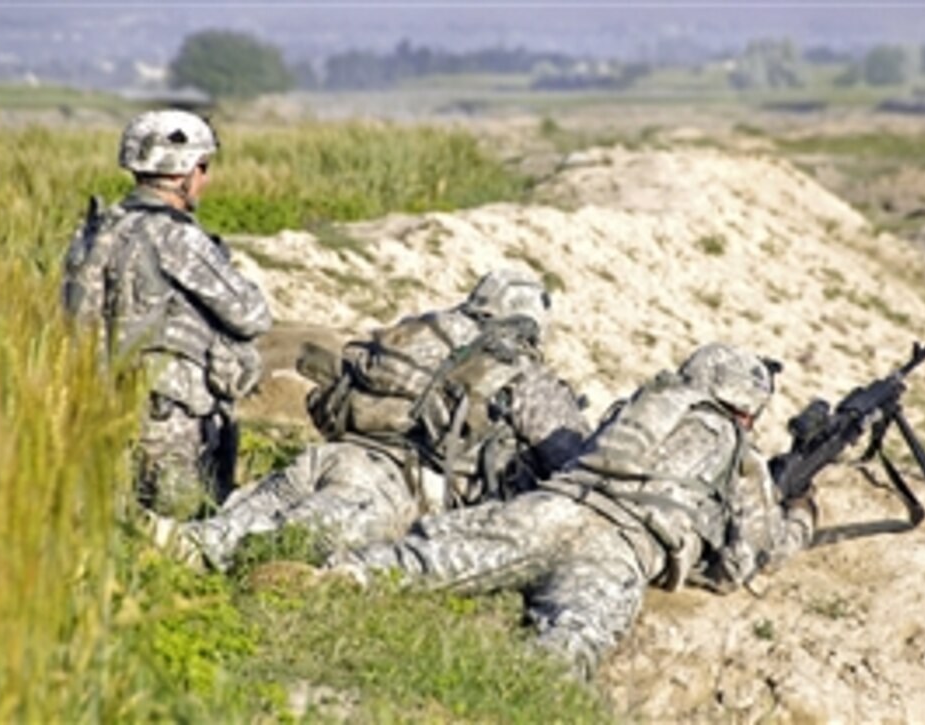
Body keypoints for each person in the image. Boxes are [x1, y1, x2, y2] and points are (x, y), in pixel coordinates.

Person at [324, 343, 817, 679]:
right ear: (746, 408)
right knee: (570, 644)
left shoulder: (638, 405)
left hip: (551, 507)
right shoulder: (743, 457)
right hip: (617, 551)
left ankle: (345, 575)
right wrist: (800, 515)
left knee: (421, 560)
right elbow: (742, 563)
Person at [172, 269, 591, 571]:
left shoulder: (423, 329)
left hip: (332, 454)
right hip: (394, 485)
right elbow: (573, 461)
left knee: (216, 530)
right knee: (283, 543)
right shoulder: (521, 369)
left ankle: (168, 543)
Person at [62, 109, 271, 519]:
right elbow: (251, 314)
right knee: (180, 529)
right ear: (184, 172)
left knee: (111, 525)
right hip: (168, 416)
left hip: (98, 408)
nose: (205, 179)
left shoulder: (95, 231)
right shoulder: (175, 236)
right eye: (203, 167)